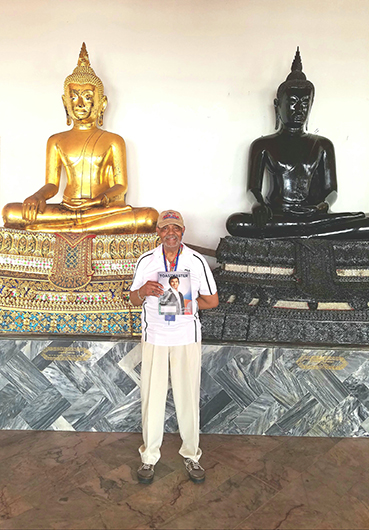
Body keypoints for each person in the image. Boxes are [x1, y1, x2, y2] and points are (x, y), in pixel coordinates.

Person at [2, 43, 158, 234]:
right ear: (65, 102)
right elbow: (52, 184)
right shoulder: (56, 140)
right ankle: (81, 228)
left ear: (102, 103)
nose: (80, 103)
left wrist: (100, 200)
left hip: (100, 210)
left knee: (150, 217)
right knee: (10, 212)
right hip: (65, 209)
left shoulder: (113, 140)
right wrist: (37, 196)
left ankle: (67, 229)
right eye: (74, 96)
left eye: (87, 96)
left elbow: (121, 186)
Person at [226, 48, 364, 238]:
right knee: (236, 223)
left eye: (305, 103)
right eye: (292, 102)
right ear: (277, 105)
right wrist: (259, 205)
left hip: (315, 216)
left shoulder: (323, 145)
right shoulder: (262, 145)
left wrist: (322, 206)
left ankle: (301, 232)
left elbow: (331, 190)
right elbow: (253, 189)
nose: (299, 109)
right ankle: (309, 234)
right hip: (278, 215)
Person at [130, 210, 219, 484]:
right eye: (165, 228)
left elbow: (212, 301)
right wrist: (143, 291)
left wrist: (187, 306)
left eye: (175, 228)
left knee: (187, 398)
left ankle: (192, 455)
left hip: (185, 337)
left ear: (183, 231)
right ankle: (149, 458)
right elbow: (133, 298)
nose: (171, 232)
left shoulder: (195, 260)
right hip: (155, 336)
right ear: (158, 232)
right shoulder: (146, 260)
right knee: (151, 399)